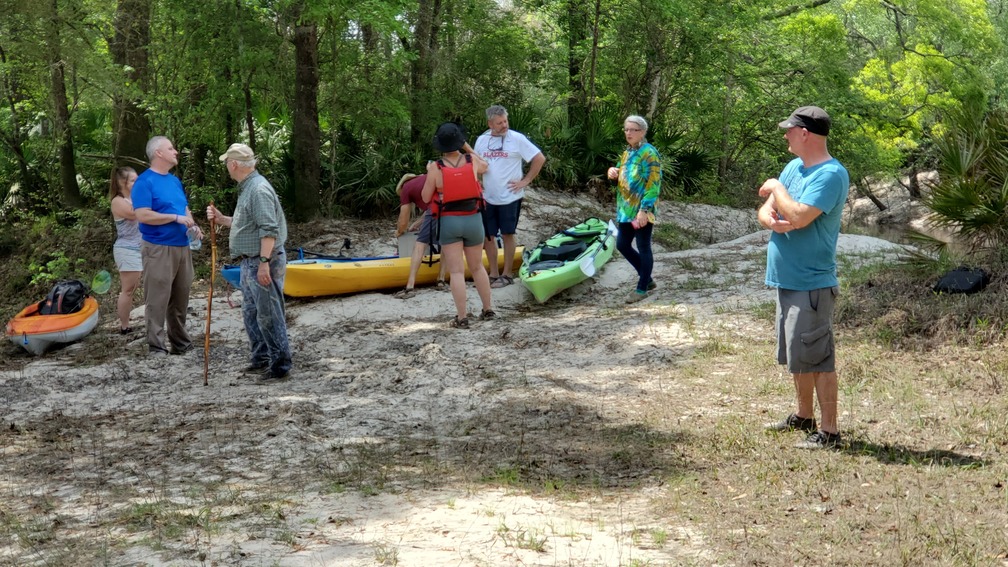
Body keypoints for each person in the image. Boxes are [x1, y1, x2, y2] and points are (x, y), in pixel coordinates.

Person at [758, 105, 849, 449]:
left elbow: (799, 214)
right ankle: (804, 415)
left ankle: (829, 431)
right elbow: (767, 211)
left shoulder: (831, 174)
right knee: (797, 354)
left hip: (812, 282)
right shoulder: (794, 167)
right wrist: (773, 216)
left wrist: (777, 192)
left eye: (789, 130)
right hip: (786, 279)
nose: (785, 136)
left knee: (819, 357)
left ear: (805, 134)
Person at [207, 143, 292, 380]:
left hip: (262, 260)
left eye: (227, 163)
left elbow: (269, 229)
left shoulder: (258, 189)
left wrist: (264, 262)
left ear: (234, 164)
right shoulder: (248, 188)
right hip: (250, 261)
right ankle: (261, 357)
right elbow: (248, 223)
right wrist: (223, 219)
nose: (226, 167)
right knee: (252, 312)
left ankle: (279, 365)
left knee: (268, 313)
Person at [132, 136, 202, 356]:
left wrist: (193, 225)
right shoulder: (145, 182)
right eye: (171, 148)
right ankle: (156, 345)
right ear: (158, 153)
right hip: (158, 247)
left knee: (181, 295)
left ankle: (180, 342)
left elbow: (184, 208)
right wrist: (174, 218)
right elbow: (142, 214)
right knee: (158, 297)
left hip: (182, 245)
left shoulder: (174, 181)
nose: (176, 152)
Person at [421, 122, 495, 328]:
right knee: (478, 267)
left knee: (456, 272)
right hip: (473, 219)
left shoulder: (436, 168)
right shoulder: (472, 162)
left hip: (450, 221)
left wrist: (429, 173)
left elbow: (426, 197)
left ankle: (462, 317)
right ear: (459, 142)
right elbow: (486, 166)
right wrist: (468, 147)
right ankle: (488, 309)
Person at [473, 105, 546, 288]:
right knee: (488, 236)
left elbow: (539, 158)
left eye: (505, 121)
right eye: (499, 123)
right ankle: (493, 273)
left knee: (507, 233)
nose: (504, 125)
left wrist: (526, 180)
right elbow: (474, 163)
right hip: (487, 196)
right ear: (490, 123)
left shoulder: (517, 139)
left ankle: (507, 274)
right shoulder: (482, 140)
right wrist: (477, 182)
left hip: (510, 196)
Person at [607, 115, 661, 303]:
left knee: (643, 246)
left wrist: (644, 210)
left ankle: (642, 288)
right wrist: (613, 171)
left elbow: (653, 184)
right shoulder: (628, 152)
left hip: (641, 209)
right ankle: (648, 279)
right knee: (622, 245)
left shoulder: (649, 153)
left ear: (643, 132)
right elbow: (626, 173)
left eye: (633, 130)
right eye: (626, 129)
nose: (629, 133)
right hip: (625, 209)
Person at [393, 172, 445, 298]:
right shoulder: (424, 177)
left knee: (420, 243)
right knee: (445, 242)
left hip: (437, 207)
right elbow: (430, 205)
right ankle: (441, 280)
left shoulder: (405, 189)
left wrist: (399, 232)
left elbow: (403, 220)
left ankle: (410, 285)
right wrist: (417, 223)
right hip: (450, 205)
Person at [109, 166, 141, 334]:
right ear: (123, 183)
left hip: (143, 247)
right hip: (127, 249)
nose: (138, 183)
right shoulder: (117, 201)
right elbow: (134, 214)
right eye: (134, 180)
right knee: (128, 289)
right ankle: (125, 326)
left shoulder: (137, 198)